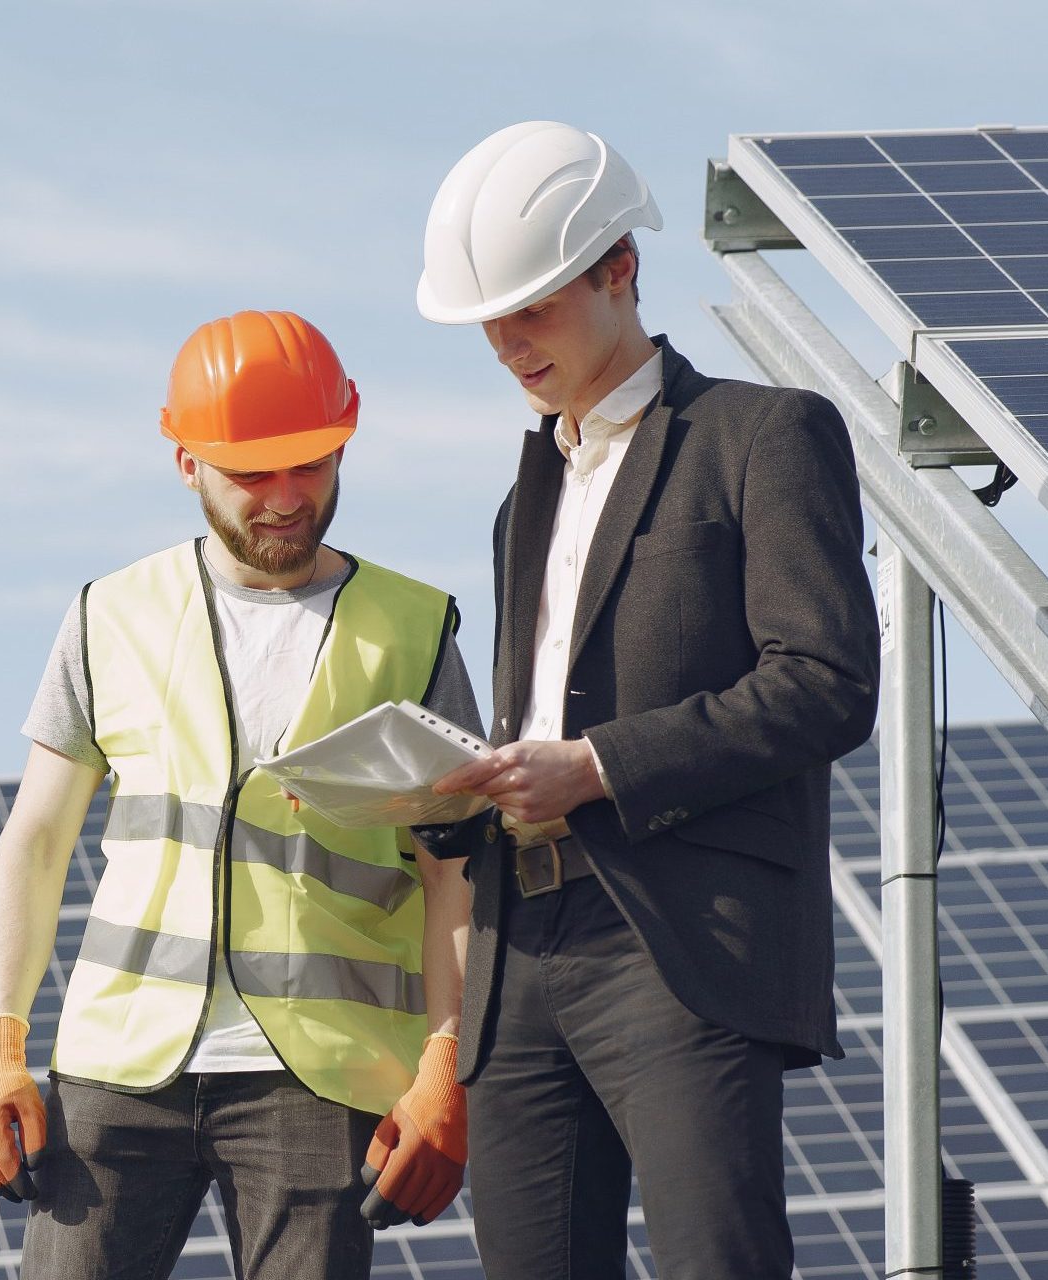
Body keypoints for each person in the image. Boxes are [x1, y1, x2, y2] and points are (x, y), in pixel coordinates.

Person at [412, 121, 881, 1278]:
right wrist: (451, 793)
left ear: (618, 268)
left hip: (674, 941)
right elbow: (539, 718)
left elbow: (826, 680)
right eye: (486, 318)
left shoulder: (764, 435)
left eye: (529, 306)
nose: (505, 342)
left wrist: (600, 764)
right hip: (519, 950)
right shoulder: (521, 500)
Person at [0, 309, 479, 1280]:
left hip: (323, 1073)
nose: (284, 498)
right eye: (253, 473)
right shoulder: (108, 614)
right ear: (186, 460)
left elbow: (457, 873)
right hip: (118, 1064)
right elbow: (34, 840)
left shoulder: (413, 628)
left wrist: (446, 1061)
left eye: (310, 466)